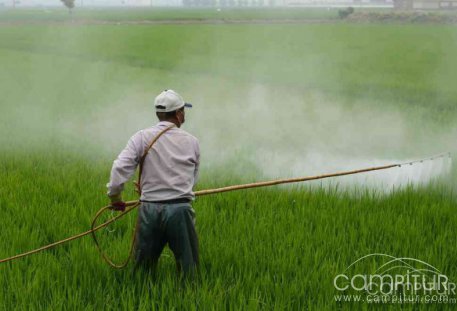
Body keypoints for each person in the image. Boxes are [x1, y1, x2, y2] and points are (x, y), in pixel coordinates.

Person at [106, 89, 200, 278]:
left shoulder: (141, 137)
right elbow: (192, 179)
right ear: (179, 114)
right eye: (184, 110)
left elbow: (119, 169)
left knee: (143, 272)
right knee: (189, 272)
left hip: (149, 209)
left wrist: (116, 198)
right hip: (180, 210)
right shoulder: (192, 142)